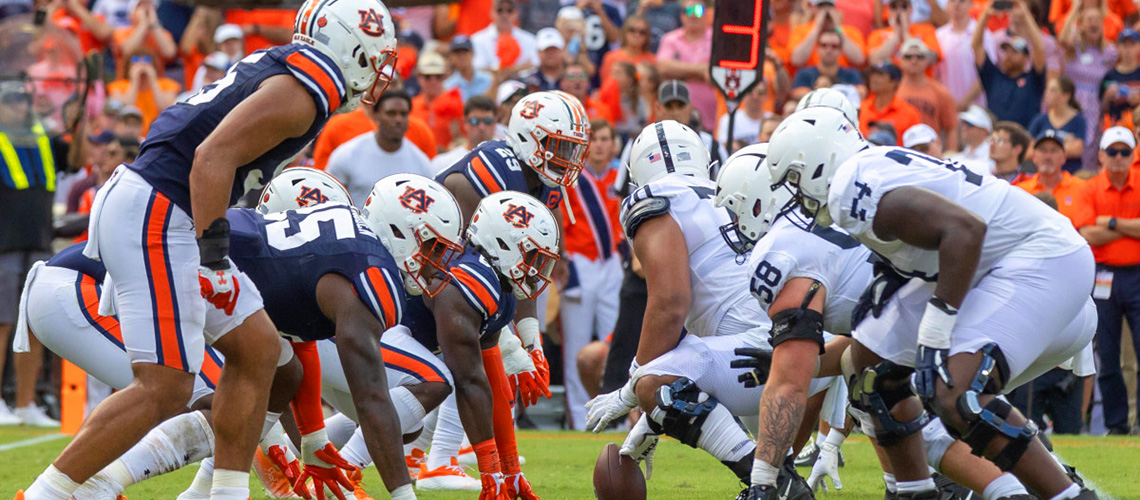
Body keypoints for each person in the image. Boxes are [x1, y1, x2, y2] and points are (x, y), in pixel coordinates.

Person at [14, 1, 411, 499]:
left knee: (262, 350)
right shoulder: (310, 88)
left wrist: (310, 437)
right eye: (375, 56)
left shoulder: (292, 70)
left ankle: (225, 492)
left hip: (168, 205)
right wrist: (216, 260)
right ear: (350, 48)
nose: (380, 71)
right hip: (161, 209)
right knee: (166, 385)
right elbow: (211, 157)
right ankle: (47, 493)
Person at [767, 105, 1099, 500]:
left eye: (794, 178)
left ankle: (1066, 495)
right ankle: (914, 492)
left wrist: (936, 330)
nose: (797, 193)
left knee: (959, 395)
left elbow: (964, 231)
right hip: (996, 262)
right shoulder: (870, 168)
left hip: (1040, 258)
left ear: (816, 162)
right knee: (870, 366)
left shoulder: (849, 187)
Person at [586, 122, 838, 500]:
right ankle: (780, 472)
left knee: (654, 384)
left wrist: (636, 388)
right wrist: (650, 421)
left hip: (756, 359)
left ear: (638, 172)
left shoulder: (655, 198)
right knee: (666, 384)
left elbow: (671, 305)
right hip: (811, 353)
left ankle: (771, 484)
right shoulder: (729, 188)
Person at [436, 89, 587, 497]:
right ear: (527, 138)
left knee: (473, 378)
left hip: (476, 289)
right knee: (432, 382)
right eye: (558, 146)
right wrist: (508, 336)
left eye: (571, 149)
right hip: (436, 281)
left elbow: (529, 266)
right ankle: (439, 462)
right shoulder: (495, 167)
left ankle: (502, 472)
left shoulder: (545, 186)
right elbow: (462, 251)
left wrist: (532, 336)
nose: (567, 159)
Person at [0, 80, 62, 427]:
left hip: (38, 241)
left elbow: (77, 158)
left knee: (32, 323)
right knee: (2, 322)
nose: (20, 108)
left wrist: (77, 119)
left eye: (22, 102)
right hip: (4, 244)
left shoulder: (42, 138)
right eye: (11, 102)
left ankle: (25, 403)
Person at [1072, 125, 1140, 436]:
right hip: (1104, 274)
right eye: (1112, 152)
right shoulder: (1090, 188)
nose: (1118, 158)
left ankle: (1136, 422)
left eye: (1124, 152)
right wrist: (1130, 227)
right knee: (1109, 354)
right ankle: (1116, 424)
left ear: (1132, 155)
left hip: (1136, 273)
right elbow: (1087, 232)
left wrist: (1109, 222)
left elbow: (1097, 228)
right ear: (1100, 155)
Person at [559, 119, 623, 431]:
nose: (599, 145)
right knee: (577, 345)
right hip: (580, 264)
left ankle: (620, 414)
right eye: (593, 139)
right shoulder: (572, 178)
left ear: (613, 144)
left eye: (604, 138)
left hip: (612, 263)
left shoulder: (620, 177)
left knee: (618, 343)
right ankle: (580, 420)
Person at [328, 90, 433, 205]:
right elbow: (329, 197)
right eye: (391, 113)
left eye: (403, 114)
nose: (398, 120)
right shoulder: (347, 155)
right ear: (375, 115)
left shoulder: (421, 163)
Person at [1057, 5, 1116, 170]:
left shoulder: (1109, 51)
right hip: (1071, 105)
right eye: (1089, 20)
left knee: (1089, 154)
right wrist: (1075, 9)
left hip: (1095, 109)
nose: (1094, 23)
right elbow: (1062, 39)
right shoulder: (1074, 47)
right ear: (1081, 25)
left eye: (1098, 20)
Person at [972, 1, 1047, 128]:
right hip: (996, 137)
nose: (1009, 55)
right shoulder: (993, 76)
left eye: (1015, 52)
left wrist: (1025, 16)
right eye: (1006, 50)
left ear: (1025, 57)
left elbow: (1038, 48)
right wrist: (985, 15)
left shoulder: (1033, 79)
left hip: (1024, 139)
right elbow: (976, 46)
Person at [656, 0, 716, 131]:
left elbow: (716, 74)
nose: (693, 15)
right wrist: (700, 69)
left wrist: (679, 70)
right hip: (672, 118)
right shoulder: (670, 39)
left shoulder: (716, 38)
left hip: (710, 119)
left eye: (699, 11)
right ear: (681, 16)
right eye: (688, 11)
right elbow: (662, 68)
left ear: (707, 14)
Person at [896, 38, 959, 151]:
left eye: (919, 57)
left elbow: (951, 128)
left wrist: (951, 154)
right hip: (899, 150)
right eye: (908, 57)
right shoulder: (892, 89)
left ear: (927, 60)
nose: (914, 61)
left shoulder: (940, 91)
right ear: (900, 60)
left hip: (929, 152)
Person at [1016, 130, 1088, 223]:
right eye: (1043, 150)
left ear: (1064, 157)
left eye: (1054, 150)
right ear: (1034, 156)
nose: (1048, 156)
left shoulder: (1083, 188)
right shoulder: (1020, 191)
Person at [105, 51, 180, 137]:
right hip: (128, 135)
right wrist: (134, 81)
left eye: (147, 59)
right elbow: (123, 110)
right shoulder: (118, 86)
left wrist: (153, 80)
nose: (142, 64)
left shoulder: (167, 85)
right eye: (135, 59)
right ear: (128, 65)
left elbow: (167, 109)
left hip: (158, 134)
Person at [1028, 77, 1088, 173]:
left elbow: (1077, 150)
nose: (1046, 94)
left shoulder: (1078, 120)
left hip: (1070, 174)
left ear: (1066, 95)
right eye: (1047, 89)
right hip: (1042, 174)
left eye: (1053, 90)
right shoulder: (1040, 119)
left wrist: (1041, 147)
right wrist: (1065, 144)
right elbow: (1028, 152)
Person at [787, 0, 867, 71]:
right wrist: (817, 28)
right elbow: (796, 60)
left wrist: (837, 28)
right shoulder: (800, 30)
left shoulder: (849, 31)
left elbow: (859, 59)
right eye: (821, 7)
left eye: (829, 6)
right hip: (811, 77)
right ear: (813, 8)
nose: (825, 10)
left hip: (842, 77)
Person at [431, 96, 498, 175]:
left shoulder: (507, 160)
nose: (481, 127)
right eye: (475, 121)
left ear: (495, 122)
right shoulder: (444, 163)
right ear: (465, 123)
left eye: (488, 121)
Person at [790, 30, 866, 100]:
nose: (828, 50)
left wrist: (829, 89)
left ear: (841, 51)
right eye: (824, 45)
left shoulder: (851, 73)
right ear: (817, 49)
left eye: (834, 46)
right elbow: (796, 94)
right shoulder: (805, 73)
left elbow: (862, 92)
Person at [411, 52, 464, 152]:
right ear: (418, 77)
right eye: (427, 76)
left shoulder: (456, 104)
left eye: (438, 76)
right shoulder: (411, 106)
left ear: (445, 77)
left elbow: (463, 140)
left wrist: (457, 139)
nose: (433, 81)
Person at [935, 0, 983, 109]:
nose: (956, 5)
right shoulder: (939, 35)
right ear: (947, 5)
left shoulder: (982, 34)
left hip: (975, 107)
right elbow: (935, 74)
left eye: (962, 1)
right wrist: (947, 101)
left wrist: (964, 103)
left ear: (970, 4)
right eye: (952, 1)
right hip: (946, 107)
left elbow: (986, 72)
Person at [859, 62, 923, 145]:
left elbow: (916, 145)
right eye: (873, 74)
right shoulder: (861, 108)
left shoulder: (910, 114)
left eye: (880, 75)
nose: (873, 78)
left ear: (894, 82)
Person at [471, 0, 539, 75]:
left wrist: (496, 70)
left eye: (509, 10)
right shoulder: (477, 40)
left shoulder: (529, 39)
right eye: (499, 10)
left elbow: (535, 66)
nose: (504, 15)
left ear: (516, 13)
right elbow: (477, 70)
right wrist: (518, 68)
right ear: (491, 12)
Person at [867, 0, 942, 66]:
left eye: (904, 7)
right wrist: (895, 36)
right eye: (894, 7)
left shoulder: (926, 29)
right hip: (891, 80)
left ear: (911, 9)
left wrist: (906, 33)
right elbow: (873, 60)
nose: (899, 11)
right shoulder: (877, 33)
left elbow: (931, 58)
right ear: (888, 11)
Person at [1099, 28, 1140, 129]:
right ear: (1118, 47)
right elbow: (1102, 109)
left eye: (1132, 45)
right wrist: (1107, 98)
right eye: (1124, 45)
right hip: (1116, 127)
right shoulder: (1110, 76)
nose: (1128, 50)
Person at [599, 15, 655, 84]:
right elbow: (607, 85)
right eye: (632, 30)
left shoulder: (652, 60)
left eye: (642, 32)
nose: (637, 35)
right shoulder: (611, 58)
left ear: (647, 36)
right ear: (624, 32)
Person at [443, 36, 493, 100]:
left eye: (465, 52)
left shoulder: (488, 79)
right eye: (457, 53)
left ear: (472, 53)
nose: (462, 56)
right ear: (451, 57)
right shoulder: (448, 86)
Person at [520, 28, 568, 92]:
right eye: (546, 50)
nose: (550, 54)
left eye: (554, 50)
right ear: (538, 52)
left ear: (563, 51)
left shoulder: (572, 77)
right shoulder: (527, 80)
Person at [952, 105, 995, 176]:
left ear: (985, 131)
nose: (964, 127)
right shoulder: (957, 157)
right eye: (963, 123)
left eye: (970, 124)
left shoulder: (993, 157)